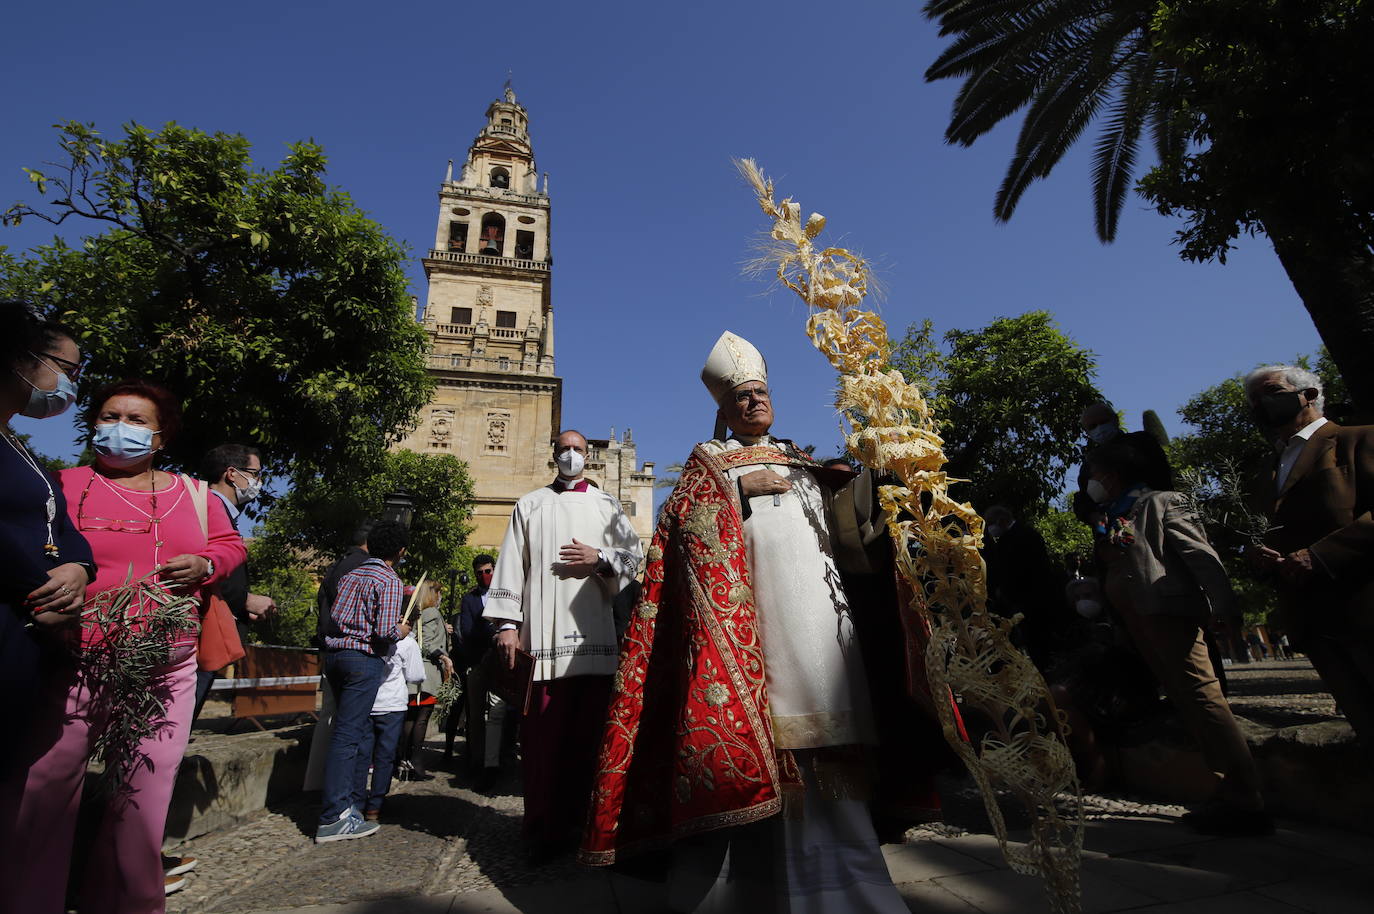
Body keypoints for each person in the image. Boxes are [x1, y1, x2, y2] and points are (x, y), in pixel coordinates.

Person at [581, 332, 921, 912]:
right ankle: (761, 885)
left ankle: (849, 881)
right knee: (773, 751)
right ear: (723, 409)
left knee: (832, 753)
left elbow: (850, 538)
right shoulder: (708, 461)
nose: (754, 403)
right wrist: (738, 487)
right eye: (741, 397)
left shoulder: (803, 459)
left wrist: (867, 479)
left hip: (822, 629)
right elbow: (678, 527)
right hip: (754, 635)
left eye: (761, 393)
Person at [1, 378, 247, 913]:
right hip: (74, 659)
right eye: (111, 416)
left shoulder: (196, 495)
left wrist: (208, 564)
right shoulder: (58, 486)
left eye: (137, 421)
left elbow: (230, 547)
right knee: (44, 791)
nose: (120, 429)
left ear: (160, 438)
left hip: (165, 667)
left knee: (141, 802)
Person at [1084, 442, 1269, 834]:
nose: (1091, 482)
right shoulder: (1112, 514)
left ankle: (1246, 793)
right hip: (1138, 618)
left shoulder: (1163, 501)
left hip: (1168, 612)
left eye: (1095, 473)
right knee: (1184, 698)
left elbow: (1201, 554)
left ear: (1113, 474)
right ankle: (1225, 787)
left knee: (1203, 695)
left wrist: (1224, 604)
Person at [485, 430, 642, 859]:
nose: (572, 455)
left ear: (588, 456)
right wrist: (506, 625)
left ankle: (590, 829)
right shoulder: (530, 504)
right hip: (542, 642)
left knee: (590, 743)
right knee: (542, 745)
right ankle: (543, 830)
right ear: (554, 455)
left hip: (596, 641)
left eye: (578, 449)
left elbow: (634, 557)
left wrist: (601, 560)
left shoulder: (607, 505)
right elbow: (511, 564)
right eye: (564, 449)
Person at [1244, 364, 1374, 742]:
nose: (1260, 405)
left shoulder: (1358, 440)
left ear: (1310, 395)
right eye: (1253, 400)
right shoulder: (1269, 468)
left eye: (1270, 392)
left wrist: (1321, 555)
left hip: (1364, 606)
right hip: (1313, 620)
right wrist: (1260, 555)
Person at [0, 301, 94, 767]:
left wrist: (78, 565)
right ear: (19, 357)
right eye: (65, 368)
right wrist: (43, 595)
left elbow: (60, 523)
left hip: (26, 637)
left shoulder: (18, 446)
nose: (70, 384)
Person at [316, 520, 412, 843]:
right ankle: (334, 815)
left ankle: (344, 806)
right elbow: (385, 632)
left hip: (335, 656)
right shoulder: (389, 579)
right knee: (349, 737)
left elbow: (335, 617)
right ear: (399, 552)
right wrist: (402, 631)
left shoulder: (351, 574)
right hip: (362, 660)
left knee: (345, 735)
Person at [190, 443, 276, 720]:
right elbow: (206, 568)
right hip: (197, 635)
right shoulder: (207, 508)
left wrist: (241, 606)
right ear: (232, 474)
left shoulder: (222, 511)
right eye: (255, 474)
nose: (257, 482)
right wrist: (245, 599)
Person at [982, 503, 1071, 669]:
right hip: (1028, 601)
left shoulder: (1020, 537)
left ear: (1001, 520)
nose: (990, 529)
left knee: (1040, 646)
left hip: (1032, 601)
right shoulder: (1023, 534)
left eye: (990, 523)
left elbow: (1021, 570)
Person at [452, 553, 510, 788]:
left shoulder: (506, 594)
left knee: (499, 712)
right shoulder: (470, 600)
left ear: (494, 571)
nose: (484, 576)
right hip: (477, 661)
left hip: (502, 662)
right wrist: (492, 633)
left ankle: (495, 762)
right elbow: (467, 630)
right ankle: (477, 761)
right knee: (475, 715)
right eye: (480, 572)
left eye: (488, 571)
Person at [360, 621, 425, 821]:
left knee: (362, 755)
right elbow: (416, 675)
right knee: (385, 756)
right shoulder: (407, 642)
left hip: (367, 701)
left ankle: (357, 801)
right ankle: (375, 805)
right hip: (392, 703)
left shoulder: (367, 634)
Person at [1073, 401, 1173, 522]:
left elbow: (1162, 475)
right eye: (1093, 426)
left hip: (1156, 517)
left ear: (1115, 420)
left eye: (1103, 422)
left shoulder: (1142, 442)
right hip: (1118, 532)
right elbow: (1084, 499)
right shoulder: (1089, 463)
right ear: (1087, 432)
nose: (1099, 428)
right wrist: (1094, 517)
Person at [399, 580, 451, 780]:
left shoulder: (423, 613)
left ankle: (405, 760)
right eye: (438, 592)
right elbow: (427, 642)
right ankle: (416, 761)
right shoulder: (431, 613)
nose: (440, 596)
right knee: (421, 717)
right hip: (426, 674)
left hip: (418, 673)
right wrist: (443, 656)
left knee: (412, 717)